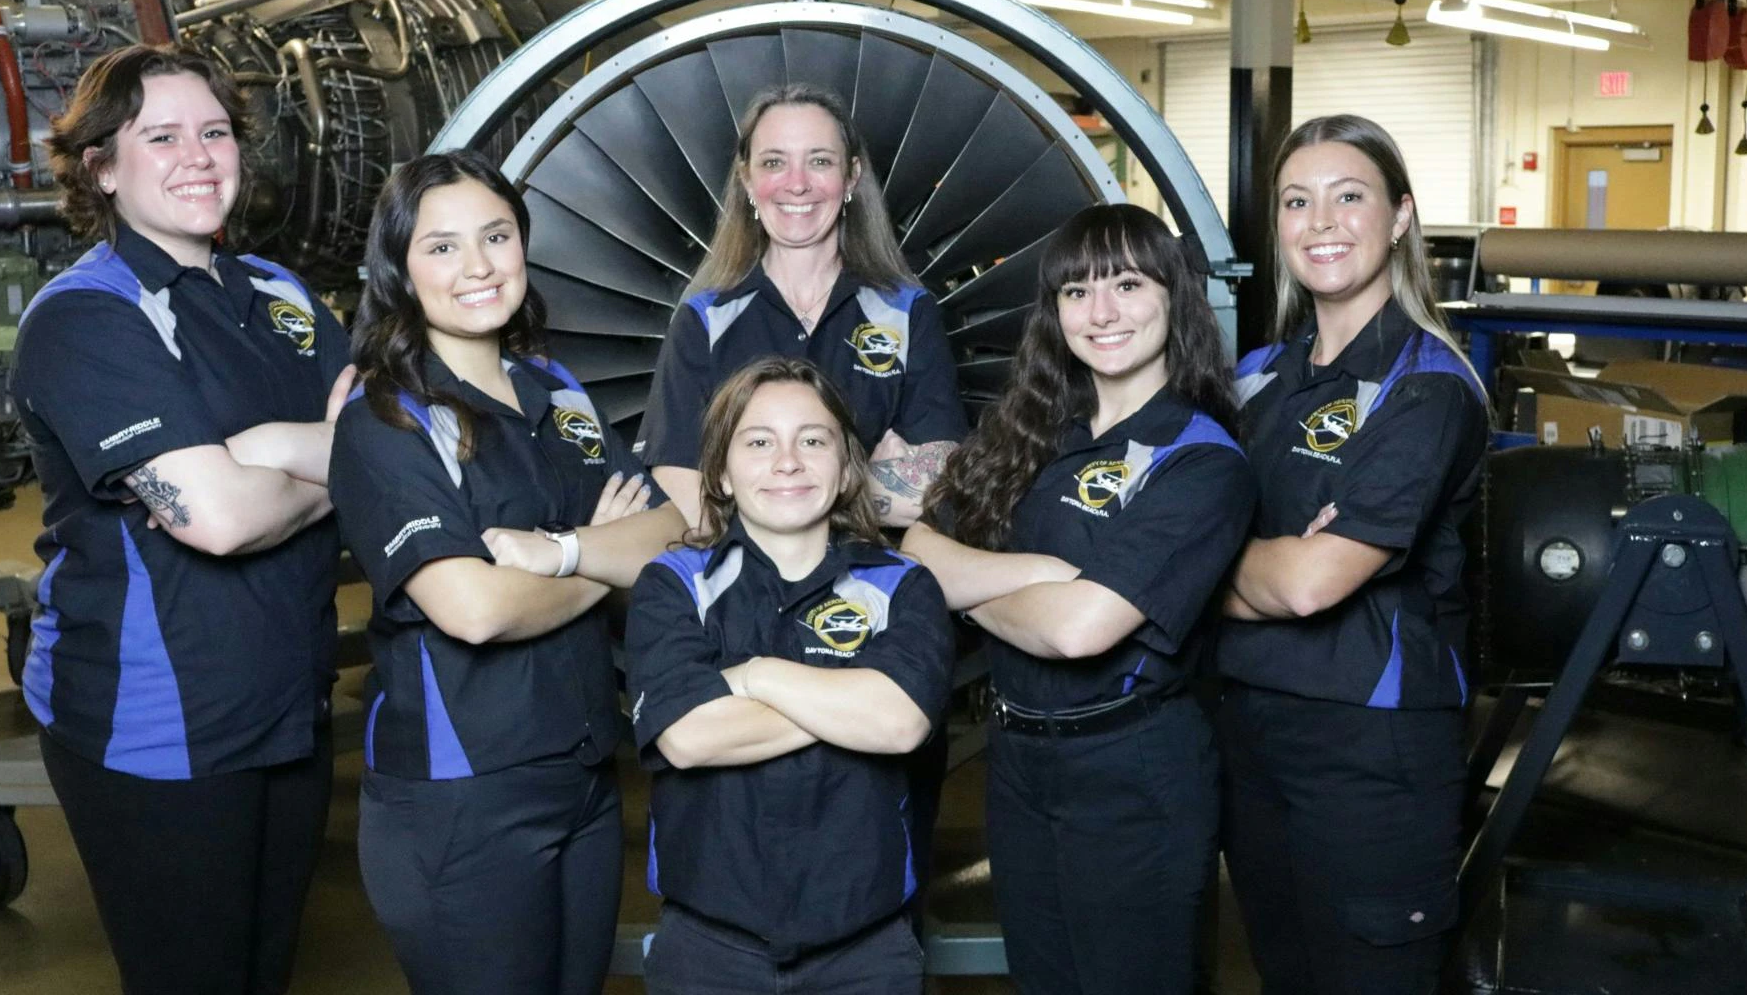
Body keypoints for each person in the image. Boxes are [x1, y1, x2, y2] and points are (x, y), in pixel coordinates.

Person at [14, 44, 352, 995]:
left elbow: (382, 442)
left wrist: (260, 454)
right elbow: (215, 519)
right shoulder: (83, 318)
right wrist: (309, 453)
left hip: (290, 701)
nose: (197, 155)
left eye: (213, 131)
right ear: (103, 169)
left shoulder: (281, 296)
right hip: (157, 728)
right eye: (159, 137)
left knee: (264, 972)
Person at [327, 150, 685, 993]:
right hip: (464, 799)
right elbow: (475, 609)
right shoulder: (387, 421)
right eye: (443, 247)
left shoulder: (554, 388)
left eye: (496, 236)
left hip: (587, 771)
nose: (479, 266)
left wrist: (561, 552)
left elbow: (672, 523)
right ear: (401, 271)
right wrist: (604, 555)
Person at [903, 203, 1254, 995]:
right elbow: (920, 549)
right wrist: (1048, 579)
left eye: (1127, 285)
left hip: (1130, 773)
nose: (1101, 313)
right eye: (1077, 292)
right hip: (1019, 763)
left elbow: (1079, 632)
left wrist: (982, 587)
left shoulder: (1201, 462)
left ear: (1174, 297)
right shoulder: (1030, 432)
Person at [1218, 114, 1488, 995]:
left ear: (1401, 217)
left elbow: (1309, 583)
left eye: (1350, 197)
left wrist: (1219, 565)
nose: (1321, 221)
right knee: (1282, 971)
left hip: (1370, 750)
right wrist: (1265, 557)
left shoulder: (1428, 388)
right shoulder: (1256, 377)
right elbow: (1173, 535)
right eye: (1298, 201)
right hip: (1249, 732)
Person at [627, 356, 955, 995]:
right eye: (758, 442)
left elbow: (898, 722)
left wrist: (754, 675)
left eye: (813, 440)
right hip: (707, 949)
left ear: (845, 464)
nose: (788, 462)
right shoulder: (672, 584)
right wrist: (849, 695)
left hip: (868, 949)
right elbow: (688, 737)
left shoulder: (903, 585)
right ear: (720, 470)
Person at [637, 82, 967, 529]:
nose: (797, 184)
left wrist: (768, 493)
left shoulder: (909, 313)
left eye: (819, 161)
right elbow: (680, 486)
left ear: (850, 177)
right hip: (739, 581)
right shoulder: (703, 321)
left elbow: (939, 481)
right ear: (747, 179)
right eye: (774, 162)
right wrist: (864, 482)